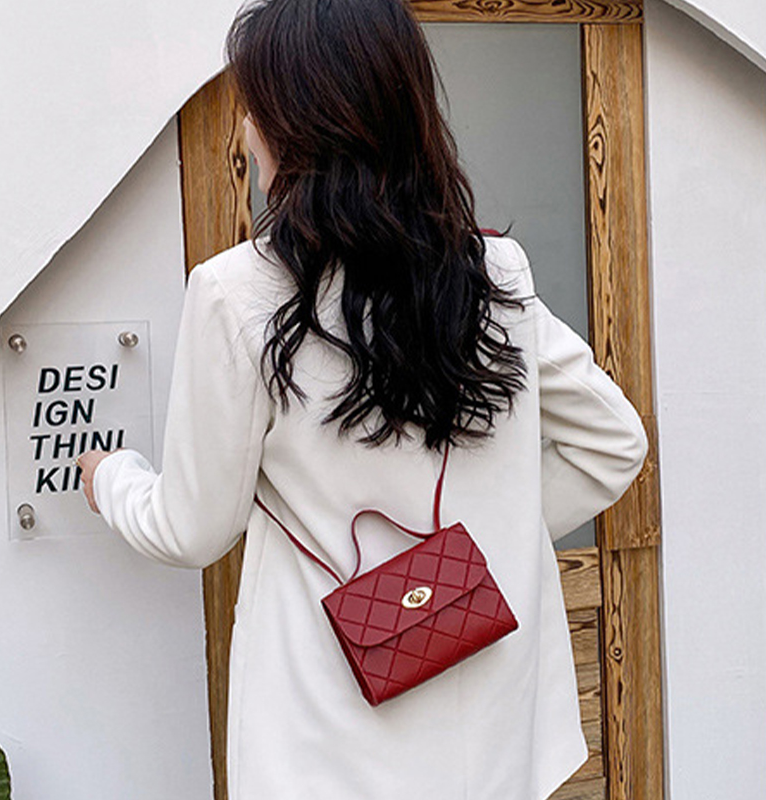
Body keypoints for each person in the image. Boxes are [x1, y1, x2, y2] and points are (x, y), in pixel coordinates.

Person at [77, 0, 648, 797]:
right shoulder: (491, 272)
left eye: (255, 104)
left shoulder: (237, 295)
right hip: (494, 732)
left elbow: (192, 528)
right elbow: (614, 443)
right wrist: (481, 545)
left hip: (325, 739)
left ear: (299, 125)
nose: (245, 127)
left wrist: (109, 478)